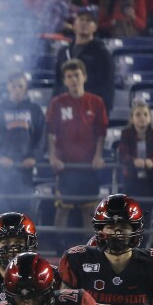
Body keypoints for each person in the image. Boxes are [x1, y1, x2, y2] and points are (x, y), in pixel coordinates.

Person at [47, 60, 108, 235]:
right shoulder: (57, 102)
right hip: (65, 166)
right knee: (62, 210)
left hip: (88, 167)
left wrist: (98, 156)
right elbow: (51, 133)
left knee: (89, 211)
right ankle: (58, 252)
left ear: (84, 77)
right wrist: (53, 157)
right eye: (69, 77)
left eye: (76, 75)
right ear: (64, 81)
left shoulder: (96, 102)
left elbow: (101, 133)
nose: (73, 80)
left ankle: (91, 251)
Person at [0, 73, 44, 195]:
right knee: (0, 208)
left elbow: (41, 137)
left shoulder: (35, 110)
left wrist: (34, 157)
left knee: (23, 209)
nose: (17, 89)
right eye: (14, 86)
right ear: (8, 87)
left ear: (26, 88)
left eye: (20, 86)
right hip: (1, 171)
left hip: (25, 170)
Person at [54, 9, 115, 112]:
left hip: (89, 112)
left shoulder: (102, 54)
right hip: (65, 113)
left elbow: (108, 89)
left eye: (88, 20)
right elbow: (58, 83)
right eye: (81, 19)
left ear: (95, 27)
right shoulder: (63, 52)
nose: (84, 23)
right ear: (74, 24)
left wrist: (103, 115)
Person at [117, 100, 153, 199]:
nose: (142, 118)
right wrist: (133, 161)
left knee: (147, 210)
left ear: (150, 118)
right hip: (130, 179)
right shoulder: (126, 133)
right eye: (138, 115)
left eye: (145, 114)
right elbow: (122, 156)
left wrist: (152, 161)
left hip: (150, 179)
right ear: (132, 119)